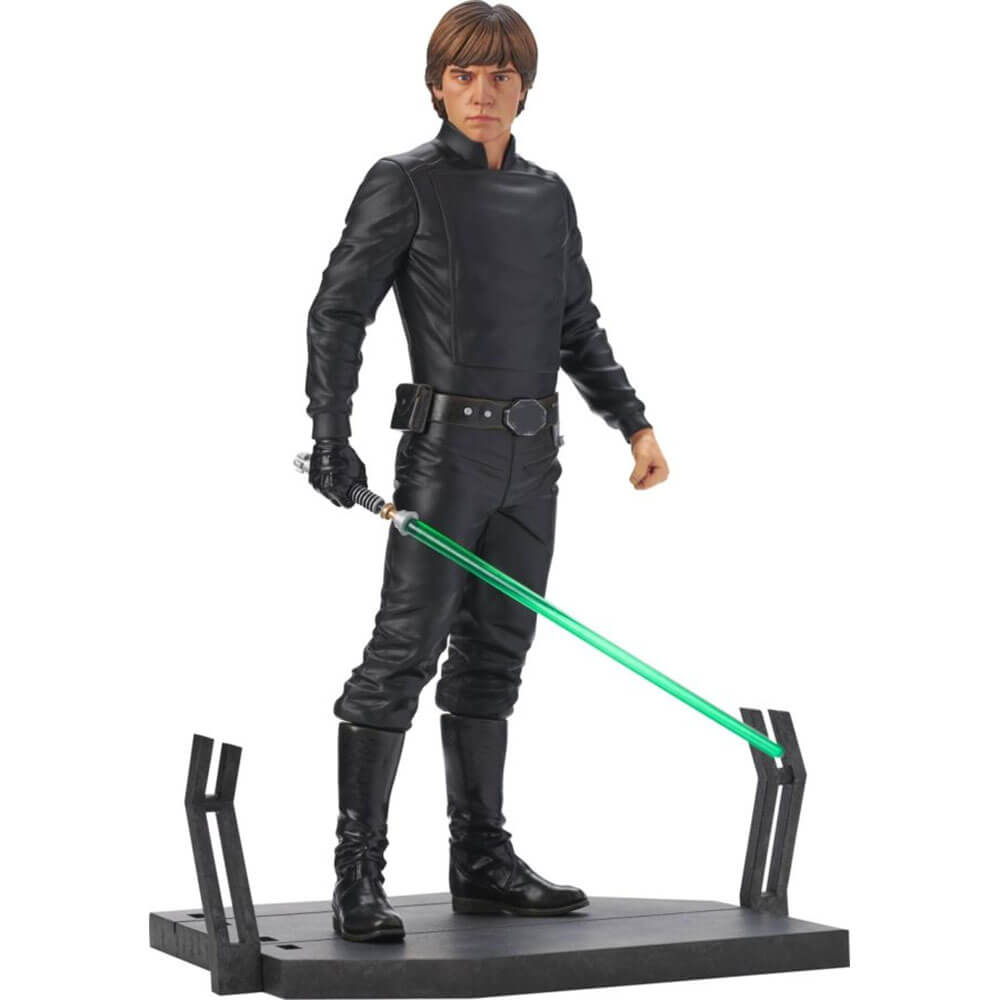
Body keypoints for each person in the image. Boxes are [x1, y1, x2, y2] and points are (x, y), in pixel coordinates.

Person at [305, 2, 669, 943]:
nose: (481, 92)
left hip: (533, 460)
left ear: (524, 88)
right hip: (446, 457)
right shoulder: (405, 183)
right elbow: (338, 312)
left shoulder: (548, 195)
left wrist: (633, 423)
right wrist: (331, 435)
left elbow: (575, 323)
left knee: (496, 661)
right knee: (401, 657)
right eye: (463, 75)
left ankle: (480, 861)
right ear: (436, 86)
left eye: (499, 76)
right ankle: (358, 872)